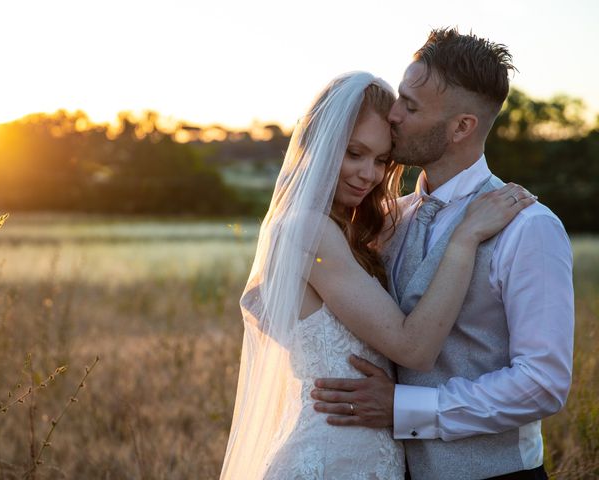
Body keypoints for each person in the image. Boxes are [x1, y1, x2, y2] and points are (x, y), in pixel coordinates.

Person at [220, 71, 535, 480]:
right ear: (319, 144)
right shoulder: (306, 229)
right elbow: (413, 348)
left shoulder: (358, 230)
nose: (368, 175)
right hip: (331, 459)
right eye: (354, 153)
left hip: (369, 458)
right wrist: (465, 239)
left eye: (381, 160)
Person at [311, 29, 574, 480]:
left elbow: (542, 384)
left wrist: (406, 409)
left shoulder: (529, 228)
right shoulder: (388, 218)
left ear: (461, 127)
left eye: (410, 107)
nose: (392, 114)